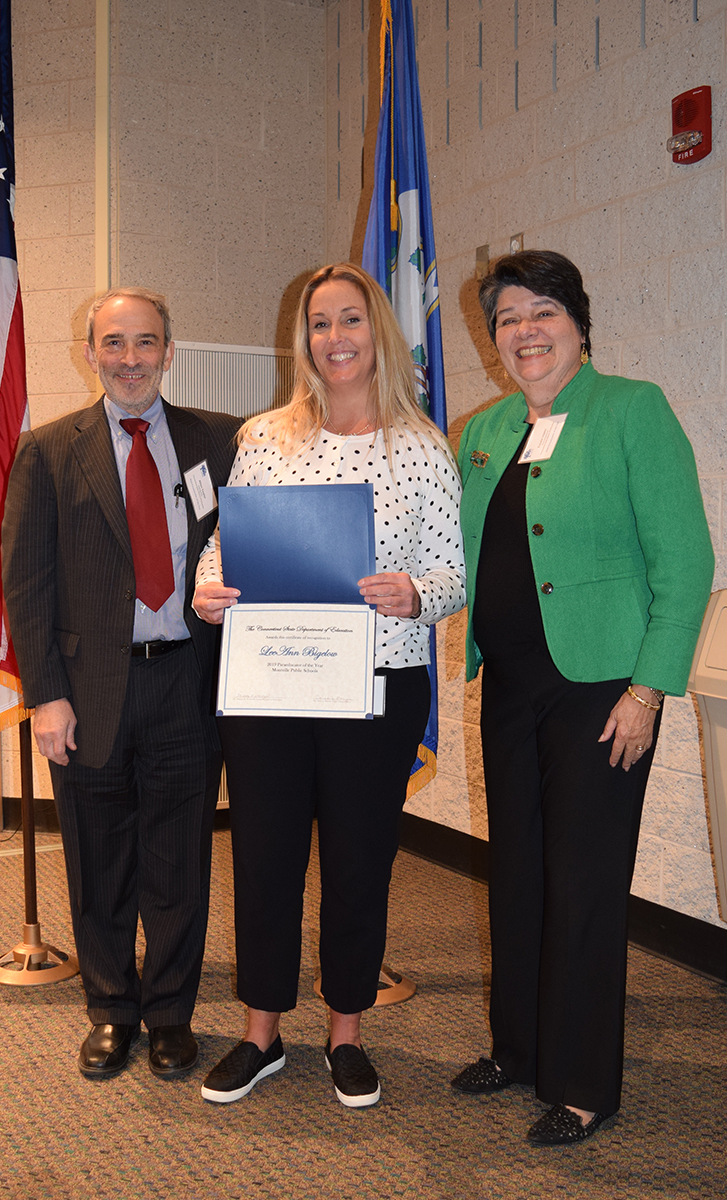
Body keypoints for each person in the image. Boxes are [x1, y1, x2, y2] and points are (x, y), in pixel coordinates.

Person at [452, 250, 714, 1144]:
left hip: (603, 691)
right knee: (518, 873)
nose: (525, 331)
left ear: (578, 324)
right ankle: (519, 1049)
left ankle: (582, 1084)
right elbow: (462, 554)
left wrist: (650, 690)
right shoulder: (486, 429)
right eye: (508, 318)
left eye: (543, 312)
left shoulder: (632, 409)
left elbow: (687, 562)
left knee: (584, 882)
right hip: (510, 686)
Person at [194, 262, 465, 1107]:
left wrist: (414, 593)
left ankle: (346, 1032)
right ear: (304, 339)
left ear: (376, 331)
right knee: (264, 856)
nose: (335, 337)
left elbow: (454, 574)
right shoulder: (265, 437)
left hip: (376, 687)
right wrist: (208, 586)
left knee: (359, 859)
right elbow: (225, 544)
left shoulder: (422, 448)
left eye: (350, 319)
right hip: (271, 683)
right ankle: (261, 1033)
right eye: (320, 323)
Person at [2, 287, 239, 1080]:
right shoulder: (46, 451)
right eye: (113, 343)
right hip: (86, 689)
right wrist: (46, 695)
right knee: (98, 860)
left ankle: (170, 1012)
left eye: (145, 342)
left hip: (187, 681)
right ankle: (110, 1008)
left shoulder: (221, 442)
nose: (129, 359)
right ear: (90, 352)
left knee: (179, 863)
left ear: (169, 350)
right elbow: (28, 585)